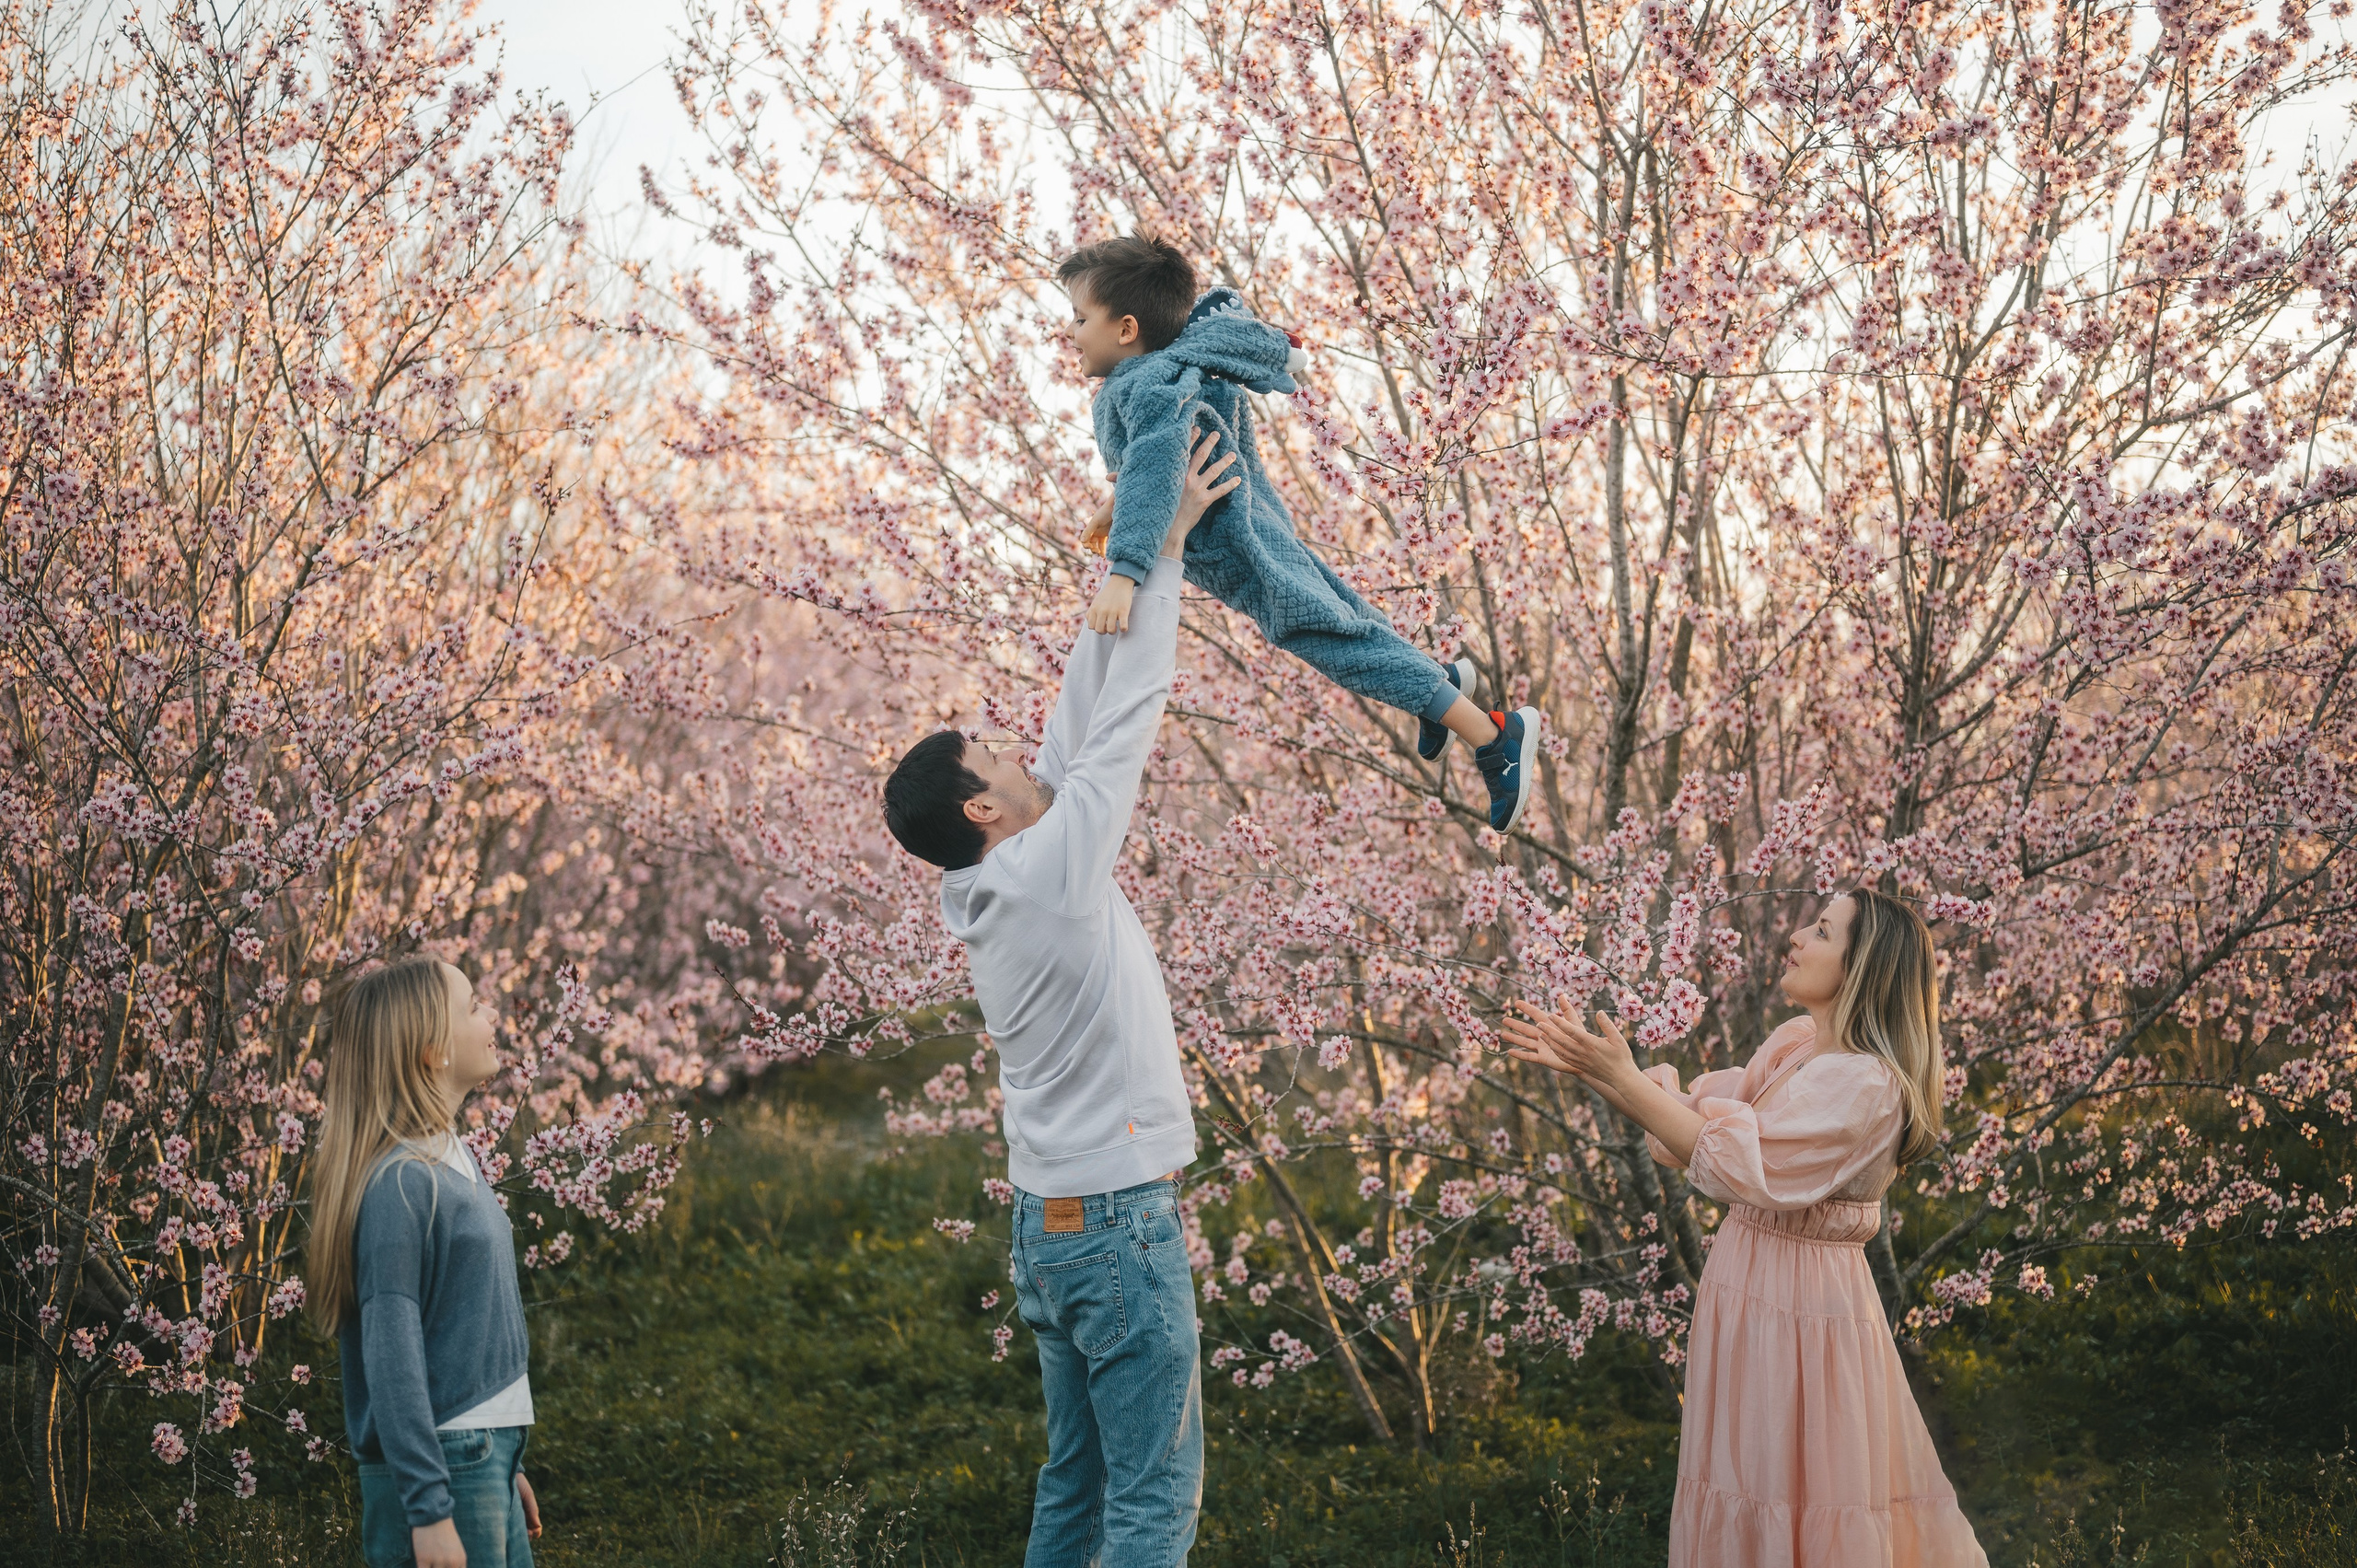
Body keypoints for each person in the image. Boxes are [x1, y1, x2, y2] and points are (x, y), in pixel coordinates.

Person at [881, 428, 1238, 1567]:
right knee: (1149, 1498)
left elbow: (1077, 719)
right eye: (992, 753)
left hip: (1054, 1226)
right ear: (982, 810)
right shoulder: (1047, 872)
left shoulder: (1006, 877)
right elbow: (1121, 722)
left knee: (1076, 1485)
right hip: (1117, 1224)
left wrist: (1130, 559)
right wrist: (1170, 553)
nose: (1015, 745)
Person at [1501, 889, 1989, 1567]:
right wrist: (1599, 1070)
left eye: (1821, 931)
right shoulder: (1800, 1050)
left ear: (1863, 968)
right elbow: (1688, 1122)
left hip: (1802, 1313)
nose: (1795, 936)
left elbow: (1732, 1162)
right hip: (1750, 1298)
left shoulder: (1866, 1084)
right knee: (1743, 1484)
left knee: (1801, 1495)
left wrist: (1618, 1076)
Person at [1059, 233, 1543, 833]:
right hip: (1259, 524)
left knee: (1328, 635)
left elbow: (1159, 460)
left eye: (1080, 318)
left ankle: (1494, 735)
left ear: (1126, 327)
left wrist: (1125, 572)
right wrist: (1115, 507)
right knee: (1337, 608)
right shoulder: (1182, 366)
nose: (1072, 332)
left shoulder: (1138, 386)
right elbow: (1169, 455)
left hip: (1236, 549)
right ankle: (1438, 684)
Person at [308, 956, 544, 1568]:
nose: (492, 1012)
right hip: (446, 1464)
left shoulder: (452, 1155)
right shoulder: (402, 1183)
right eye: (473, 1005)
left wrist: (501, 1458)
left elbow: (457, 1329)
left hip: (477, 1457)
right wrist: (431, 1506)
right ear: (432, 1051)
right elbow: (392, 1354)